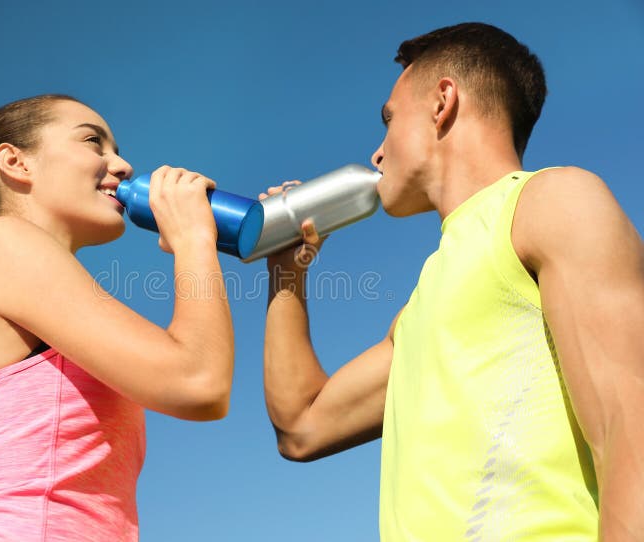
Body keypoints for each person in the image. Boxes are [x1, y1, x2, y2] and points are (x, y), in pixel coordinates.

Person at [261, 22, 644, 540]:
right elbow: (302, 427)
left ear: (443, 101)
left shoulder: (553, 202)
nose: (377, 152)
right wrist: (287, 272)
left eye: (389, 120)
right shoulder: (419, 309)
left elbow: (631, 433)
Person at [0, 94, 235, 541]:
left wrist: (288, 272)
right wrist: (193, 241)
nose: (123, 166)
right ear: (16, 162)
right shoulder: (3, 244)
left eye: (118, 151)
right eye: (94, 142)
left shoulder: (20, 267)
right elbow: (197, 382)